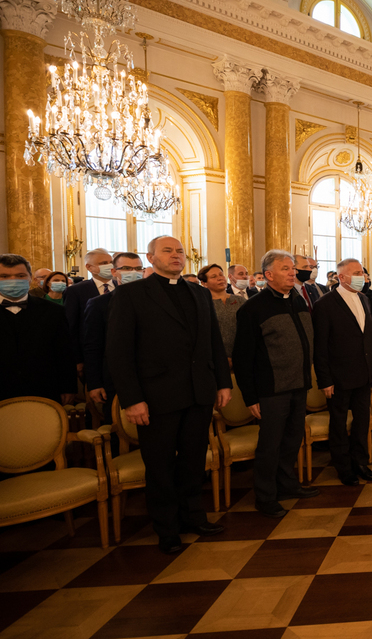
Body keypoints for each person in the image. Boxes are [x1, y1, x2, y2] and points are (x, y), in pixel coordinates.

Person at [106, 236, 232, 554]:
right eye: (167, 251)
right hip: (156, 395)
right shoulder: (131, 294)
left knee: (192, 461)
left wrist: (223, 382)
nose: (176, 255)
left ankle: (193, 516)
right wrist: (132, 399)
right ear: (151, 258)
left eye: (179, 251)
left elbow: (213, 342)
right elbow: (119, 352)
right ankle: (166, 527)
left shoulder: (199, 293)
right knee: (160, 465)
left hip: (198, 392)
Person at [233, 249, 319, 519]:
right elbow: (243, 357)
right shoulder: (252, 308)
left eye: (293, 268)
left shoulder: (297, 300)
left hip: (299, 384)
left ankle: (287, 485)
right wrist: (250, 397)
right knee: (269, 445)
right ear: (268, 275)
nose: (293, 272)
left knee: (292, 439)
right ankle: (265, 496)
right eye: (286, 269)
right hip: (271, 389)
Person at [312, 258, 372, 486]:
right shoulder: (325, 304)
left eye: (362, 271)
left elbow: (368, 339)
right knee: (339, 424)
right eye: (356, 272)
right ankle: (343, 467)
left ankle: (361, 462)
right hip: (338, 376)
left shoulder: (365, 299)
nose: (362, 276)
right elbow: (320, 346)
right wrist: (325, 380)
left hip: (363, 374)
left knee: (362, 421)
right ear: (341, 277)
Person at [0, 254, 76, 404]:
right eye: (4, 276)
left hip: (43, 388)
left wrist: (68, 387)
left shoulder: (53, 311)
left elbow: (64, 351)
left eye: (20, 275)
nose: (13, 280)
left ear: (30, 278)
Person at [83, 253, 145, 407]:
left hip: (149, 375)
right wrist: (94, 383)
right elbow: (93, 346)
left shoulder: (153, 302)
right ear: (114, 272)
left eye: (137, 268)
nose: (133, 272)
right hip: (113, 376)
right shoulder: (99, 304)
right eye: (126, 268)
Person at [64, 247, 115, 371]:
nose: (109, 266)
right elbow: (72, 327)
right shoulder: (75, 291)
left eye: (110, 262)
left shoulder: (123, 287)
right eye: (103, 263)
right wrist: (78, 360)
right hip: (91, 355)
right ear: (89, 267)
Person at [198, 264, 246, 364]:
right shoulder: (203, 305)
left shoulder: (240, 301)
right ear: (204, 283)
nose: (220, 278)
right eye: (214, 277)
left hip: (242, 356)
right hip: (215, 359)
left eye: (221, 275)